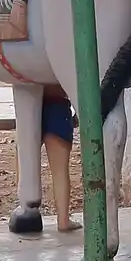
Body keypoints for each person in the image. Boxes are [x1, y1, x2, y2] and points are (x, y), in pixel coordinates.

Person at [41, 84, 80, 232]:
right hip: (58, 104)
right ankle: (63, 220)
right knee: (59, 172)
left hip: (29, 103)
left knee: (27, 164)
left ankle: (26, 211)